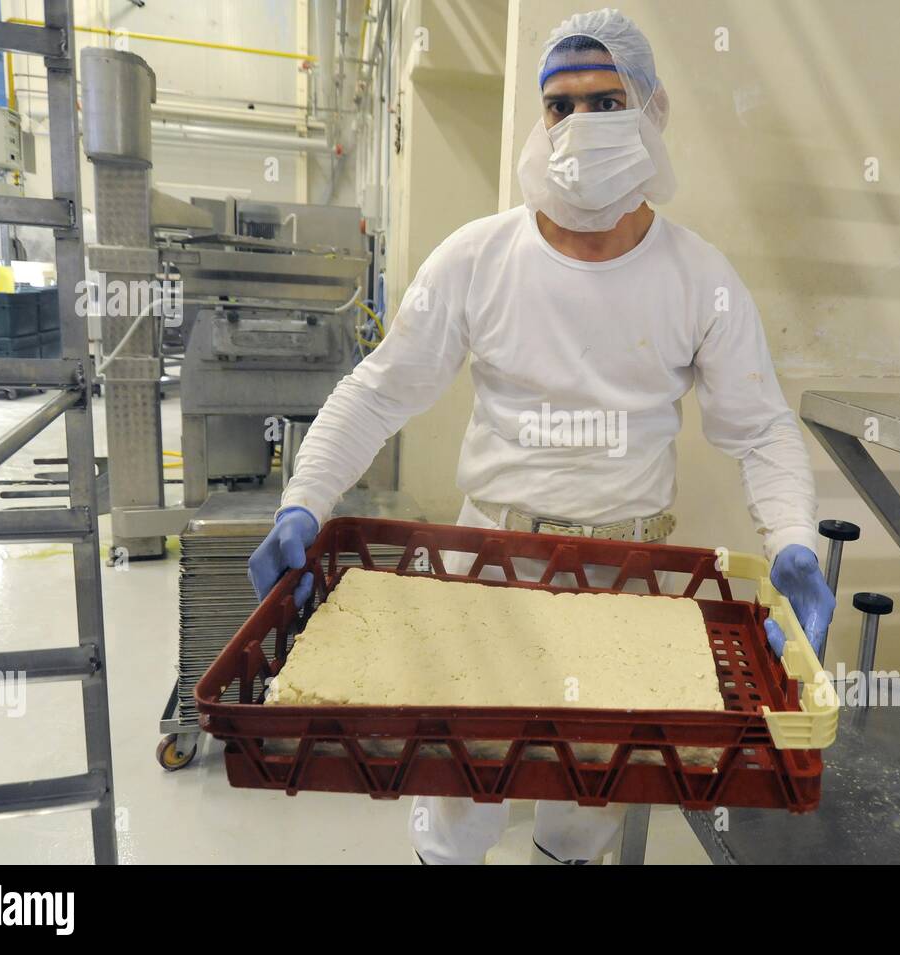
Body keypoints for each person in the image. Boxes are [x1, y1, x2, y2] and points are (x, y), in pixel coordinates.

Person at [248, 8, 835, 865]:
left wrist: (795, 545)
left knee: (585, 804)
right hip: (488, 563)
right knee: (455, 791)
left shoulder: (698, 277)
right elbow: (376, 394)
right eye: (559, 105)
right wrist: (303, 504)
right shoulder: (478, 258)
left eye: (606, 101)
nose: (580, 125)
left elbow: (761, 430)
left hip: (622, 579)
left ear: (652, 111)